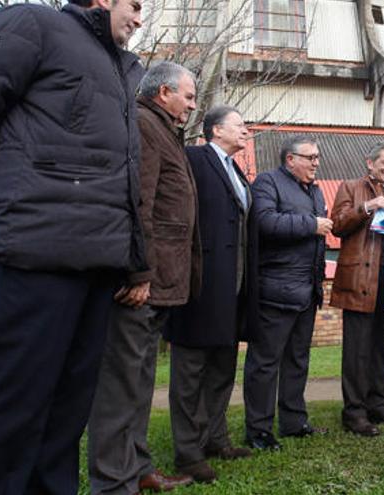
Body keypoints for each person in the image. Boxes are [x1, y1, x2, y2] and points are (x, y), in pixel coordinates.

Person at [0, 0, 145, 492]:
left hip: (97, 261)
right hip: (37, 253)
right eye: (135, 4)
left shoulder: (118, 67)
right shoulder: (34, 23)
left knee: (65, 412)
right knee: (8, 404)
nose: (140, 17)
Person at [88, 61, 200, 494]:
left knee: (139, 381)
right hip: (142, 282)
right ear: (163, 92)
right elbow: (137, 201)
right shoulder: (142, 125)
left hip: (159, 283)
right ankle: (114, 481)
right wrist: (138, 272)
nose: (192, 105)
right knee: (120, 385)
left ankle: (137, 470)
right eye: (188, 96)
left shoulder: (161, 128)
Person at [165, 105, 255, 482]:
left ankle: (216, 438)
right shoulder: (194, 158)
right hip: (199, 288)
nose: (246, 131)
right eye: (240, 125)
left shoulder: (237, 171)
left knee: (221, 369)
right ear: (216, 130)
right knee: (189, 375)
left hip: (232, 291)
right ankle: (188, 453)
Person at [243, 136, 330, 448]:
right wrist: (311, 224)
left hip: (306, 292)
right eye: (309, 157)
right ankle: (259, 430)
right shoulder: (268, 182)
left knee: (298, 359)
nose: (315, 163)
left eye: (317, 157)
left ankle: (294, 421)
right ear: (290, 159)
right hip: (276, 290)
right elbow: (264, 222)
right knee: (265, 363)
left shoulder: (315, 191)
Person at [330, 142, 384, 436]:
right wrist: (367, 207)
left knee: (380, 348)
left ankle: (379, 405)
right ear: (370, 163)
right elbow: (337, 225)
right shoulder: (350, 187)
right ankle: (354, 413)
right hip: (360, 281)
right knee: (357, 350)